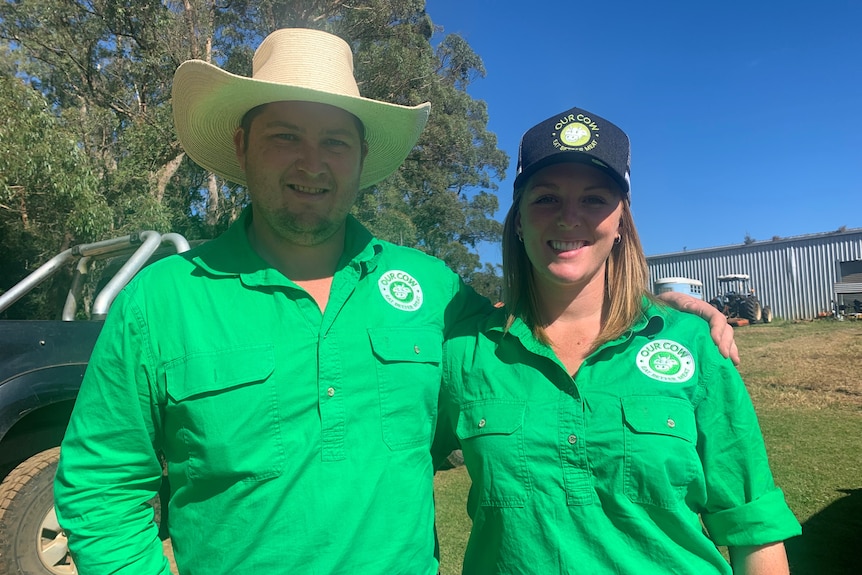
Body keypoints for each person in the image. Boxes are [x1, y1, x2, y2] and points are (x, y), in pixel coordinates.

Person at [53, 29, 736, 575]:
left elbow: (536, 330)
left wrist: (652, 309)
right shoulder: (162, 301)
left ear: (360, 158)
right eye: (284, 136)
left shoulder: (431, 290)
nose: (311, 163)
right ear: (241, 146)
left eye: (334, 142)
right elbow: (100, 487)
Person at [436, 106, 801, 574]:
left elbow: (755, 528)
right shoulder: (466, 351)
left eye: (593, 199)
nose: (569, 218)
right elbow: (389, 458)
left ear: (622, 221)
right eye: (546, 198)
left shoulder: (694, 345)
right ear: (520, 220)